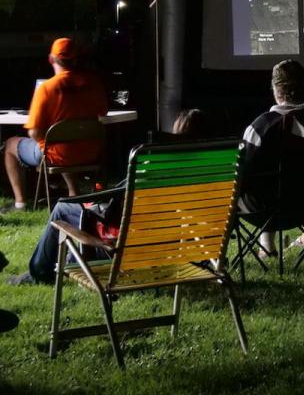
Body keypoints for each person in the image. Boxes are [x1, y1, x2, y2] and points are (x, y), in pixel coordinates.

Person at [7, 108, 208, 285]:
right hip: (173, 247)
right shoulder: (219, 173)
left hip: (134, 245)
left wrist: (98, 201)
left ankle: (39, 273)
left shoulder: (156, 167)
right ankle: (72, 260)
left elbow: (115, 207)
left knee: (62, 208)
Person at [240, 60, 304, 255]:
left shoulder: (262, 126)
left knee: (257, 179)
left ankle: (266, 246)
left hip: (265, 210)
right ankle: (287, 240)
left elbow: (244, 172)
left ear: (277, 91)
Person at [2, 38, 108, 209]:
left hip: (58, 156)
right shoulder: (93, 83)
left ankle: (20, 203)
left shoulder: (47, 88)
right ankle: (74, 193)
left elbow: (34, 133)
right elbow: (102, 112)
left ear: (51, 59)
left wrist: (49, 139)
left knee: (10, 145)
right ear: (76, 59)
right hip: (91, 153)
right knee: (64, 145)